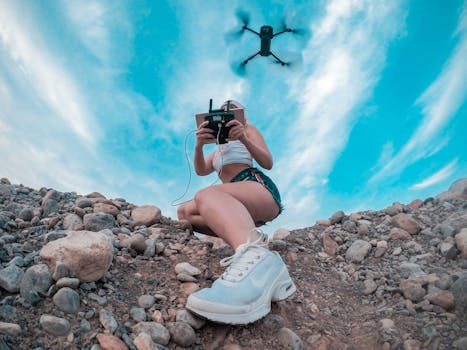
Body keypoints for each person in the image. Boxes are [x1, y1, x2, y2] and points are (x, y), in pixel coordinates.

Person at [177, 100, 296, 324]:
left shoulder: (248, 130)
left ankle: (259, 257)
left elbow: (267, 162)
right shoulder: (220, 147)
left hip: (254, 185)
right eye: (223, 108)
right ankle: (246, 243)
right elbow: (202, 169)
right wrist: (200, 145)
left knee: (206, 195)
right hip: (231, 198)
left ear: (242, 114)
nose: (226, 110)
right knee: (185, 213)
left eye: (232, 107)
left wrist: (242, 137)